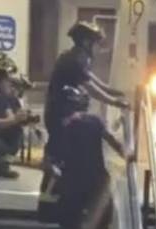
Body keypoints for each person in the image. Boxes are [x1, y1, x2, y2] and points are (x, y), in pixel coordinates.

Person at [45, 85, 130, 229]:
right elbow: (116, 144)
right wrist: (129, 156)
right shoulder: (95, 122)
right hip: (98, 184)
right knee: (100, 227)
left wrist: (57, 175)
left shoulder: (61, 128)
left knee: (71, 228)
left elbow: (49, 161)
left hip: (71, 185)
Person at [46, 21, 129, 165]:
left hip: (66, 111)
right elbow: (90, 87)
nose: (98, 48)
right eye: (96, 43)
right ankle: (124, 151)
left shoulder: (79, 57)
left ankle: (122, 151)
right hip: (61, 115)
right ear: (86, 42)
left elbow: (93, 80)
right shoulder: (75, 59)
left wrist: (113, 92)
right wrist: (114, 101)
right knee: (97, 124)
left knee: (95, 126)